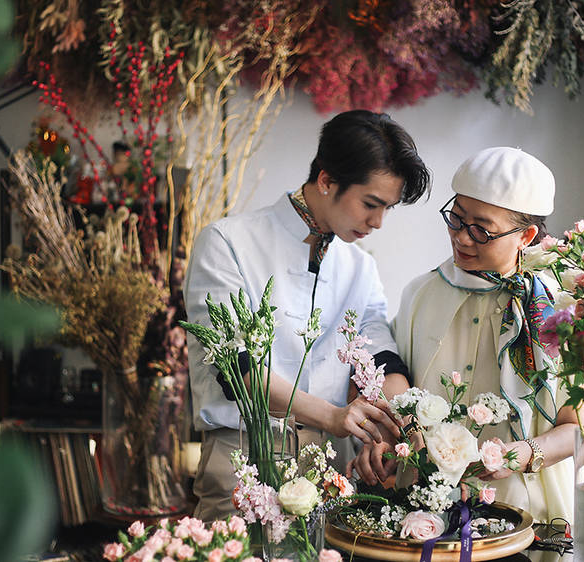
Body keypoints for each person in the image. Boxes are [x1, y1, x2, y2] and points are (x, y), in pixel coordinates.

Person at [184, 110, 431, 521]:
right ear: (327, 180)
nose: (378, 222)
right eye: (370, 204)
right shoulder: (227, 242)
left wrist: (399, 422)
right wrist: (333, 416)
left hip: (330, 466)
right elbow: (237, 370)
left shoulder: (360, 266)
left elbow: (379, 356)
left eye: (387, 208)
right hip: (245, 458)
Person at [349, 146, 581, 524]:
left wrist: (525, 452)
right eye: (455, 219)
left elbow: (577, 429)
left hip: (529, 511)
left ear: (527, 235)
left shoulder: (558, 310)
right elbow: (396, 395)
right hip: (425, 513)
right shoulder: (421, 295)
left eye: (481, 230)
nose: (462, 238)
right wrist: (383, 440)